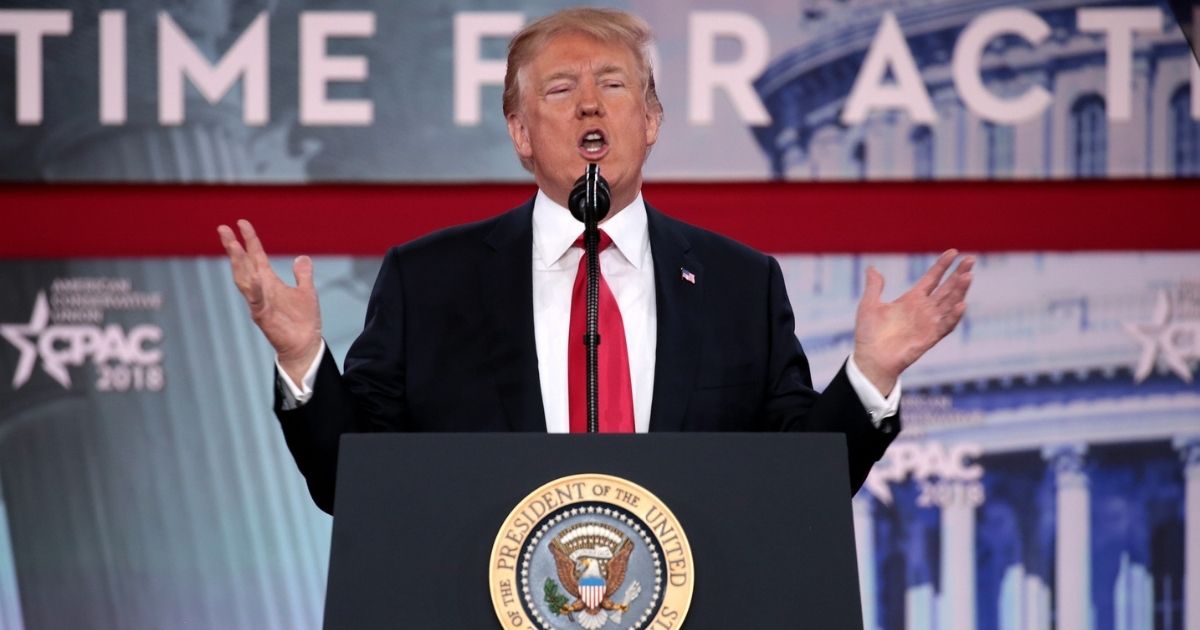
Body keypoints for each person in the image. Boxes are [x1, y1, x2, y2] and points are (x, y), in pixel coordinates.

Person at [217, 8, 973, 515]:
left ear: (650, 122)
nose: (589, 106)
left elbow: (797, 488)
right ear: (520, 132)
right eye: (560, 90)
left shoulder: (740, 284)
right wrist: (304, 359)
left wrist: (869, 376)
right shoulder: (429, 281)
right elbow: (354, 482)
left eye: (613, 86)